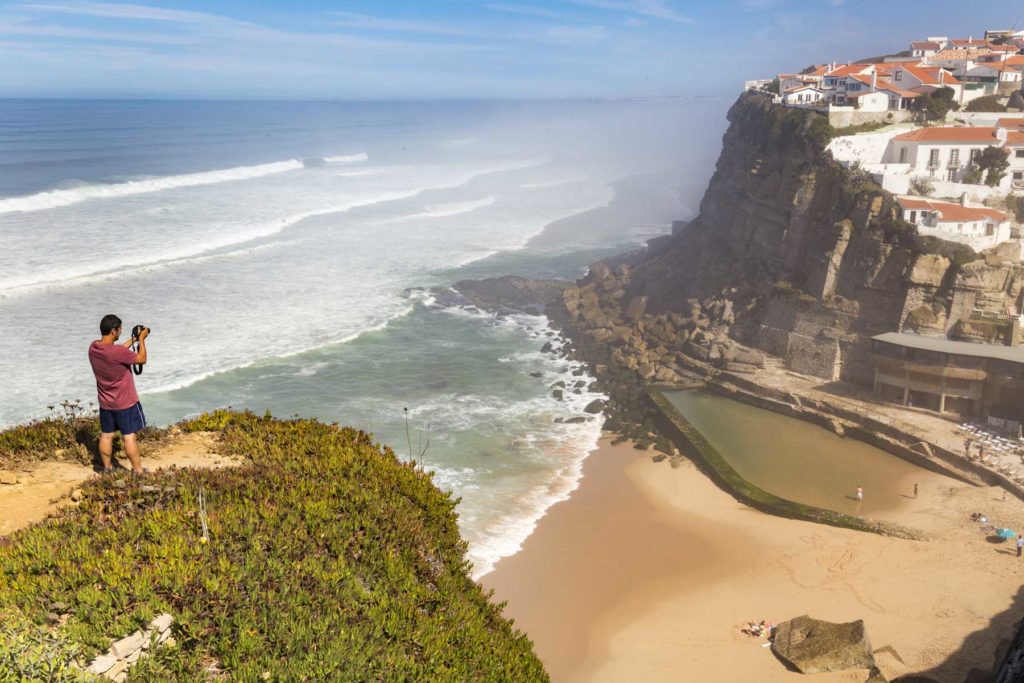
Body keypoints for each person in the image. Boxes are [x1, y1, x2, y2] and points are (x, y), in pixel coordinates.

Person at [88, 314, 149, 474]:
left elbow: (117, 351)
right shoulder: (116, 352)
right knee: (129, 437)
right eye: (120, 329)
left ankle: (107, 468)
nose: (121, 331)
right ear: (114, 331)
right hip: (125, 403)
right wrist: (142, 340)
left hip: (106, 402)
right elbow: (141, 359)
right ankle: (138, 471)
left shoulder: (93, 348)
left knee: (106, 435)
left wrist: (133, 339)